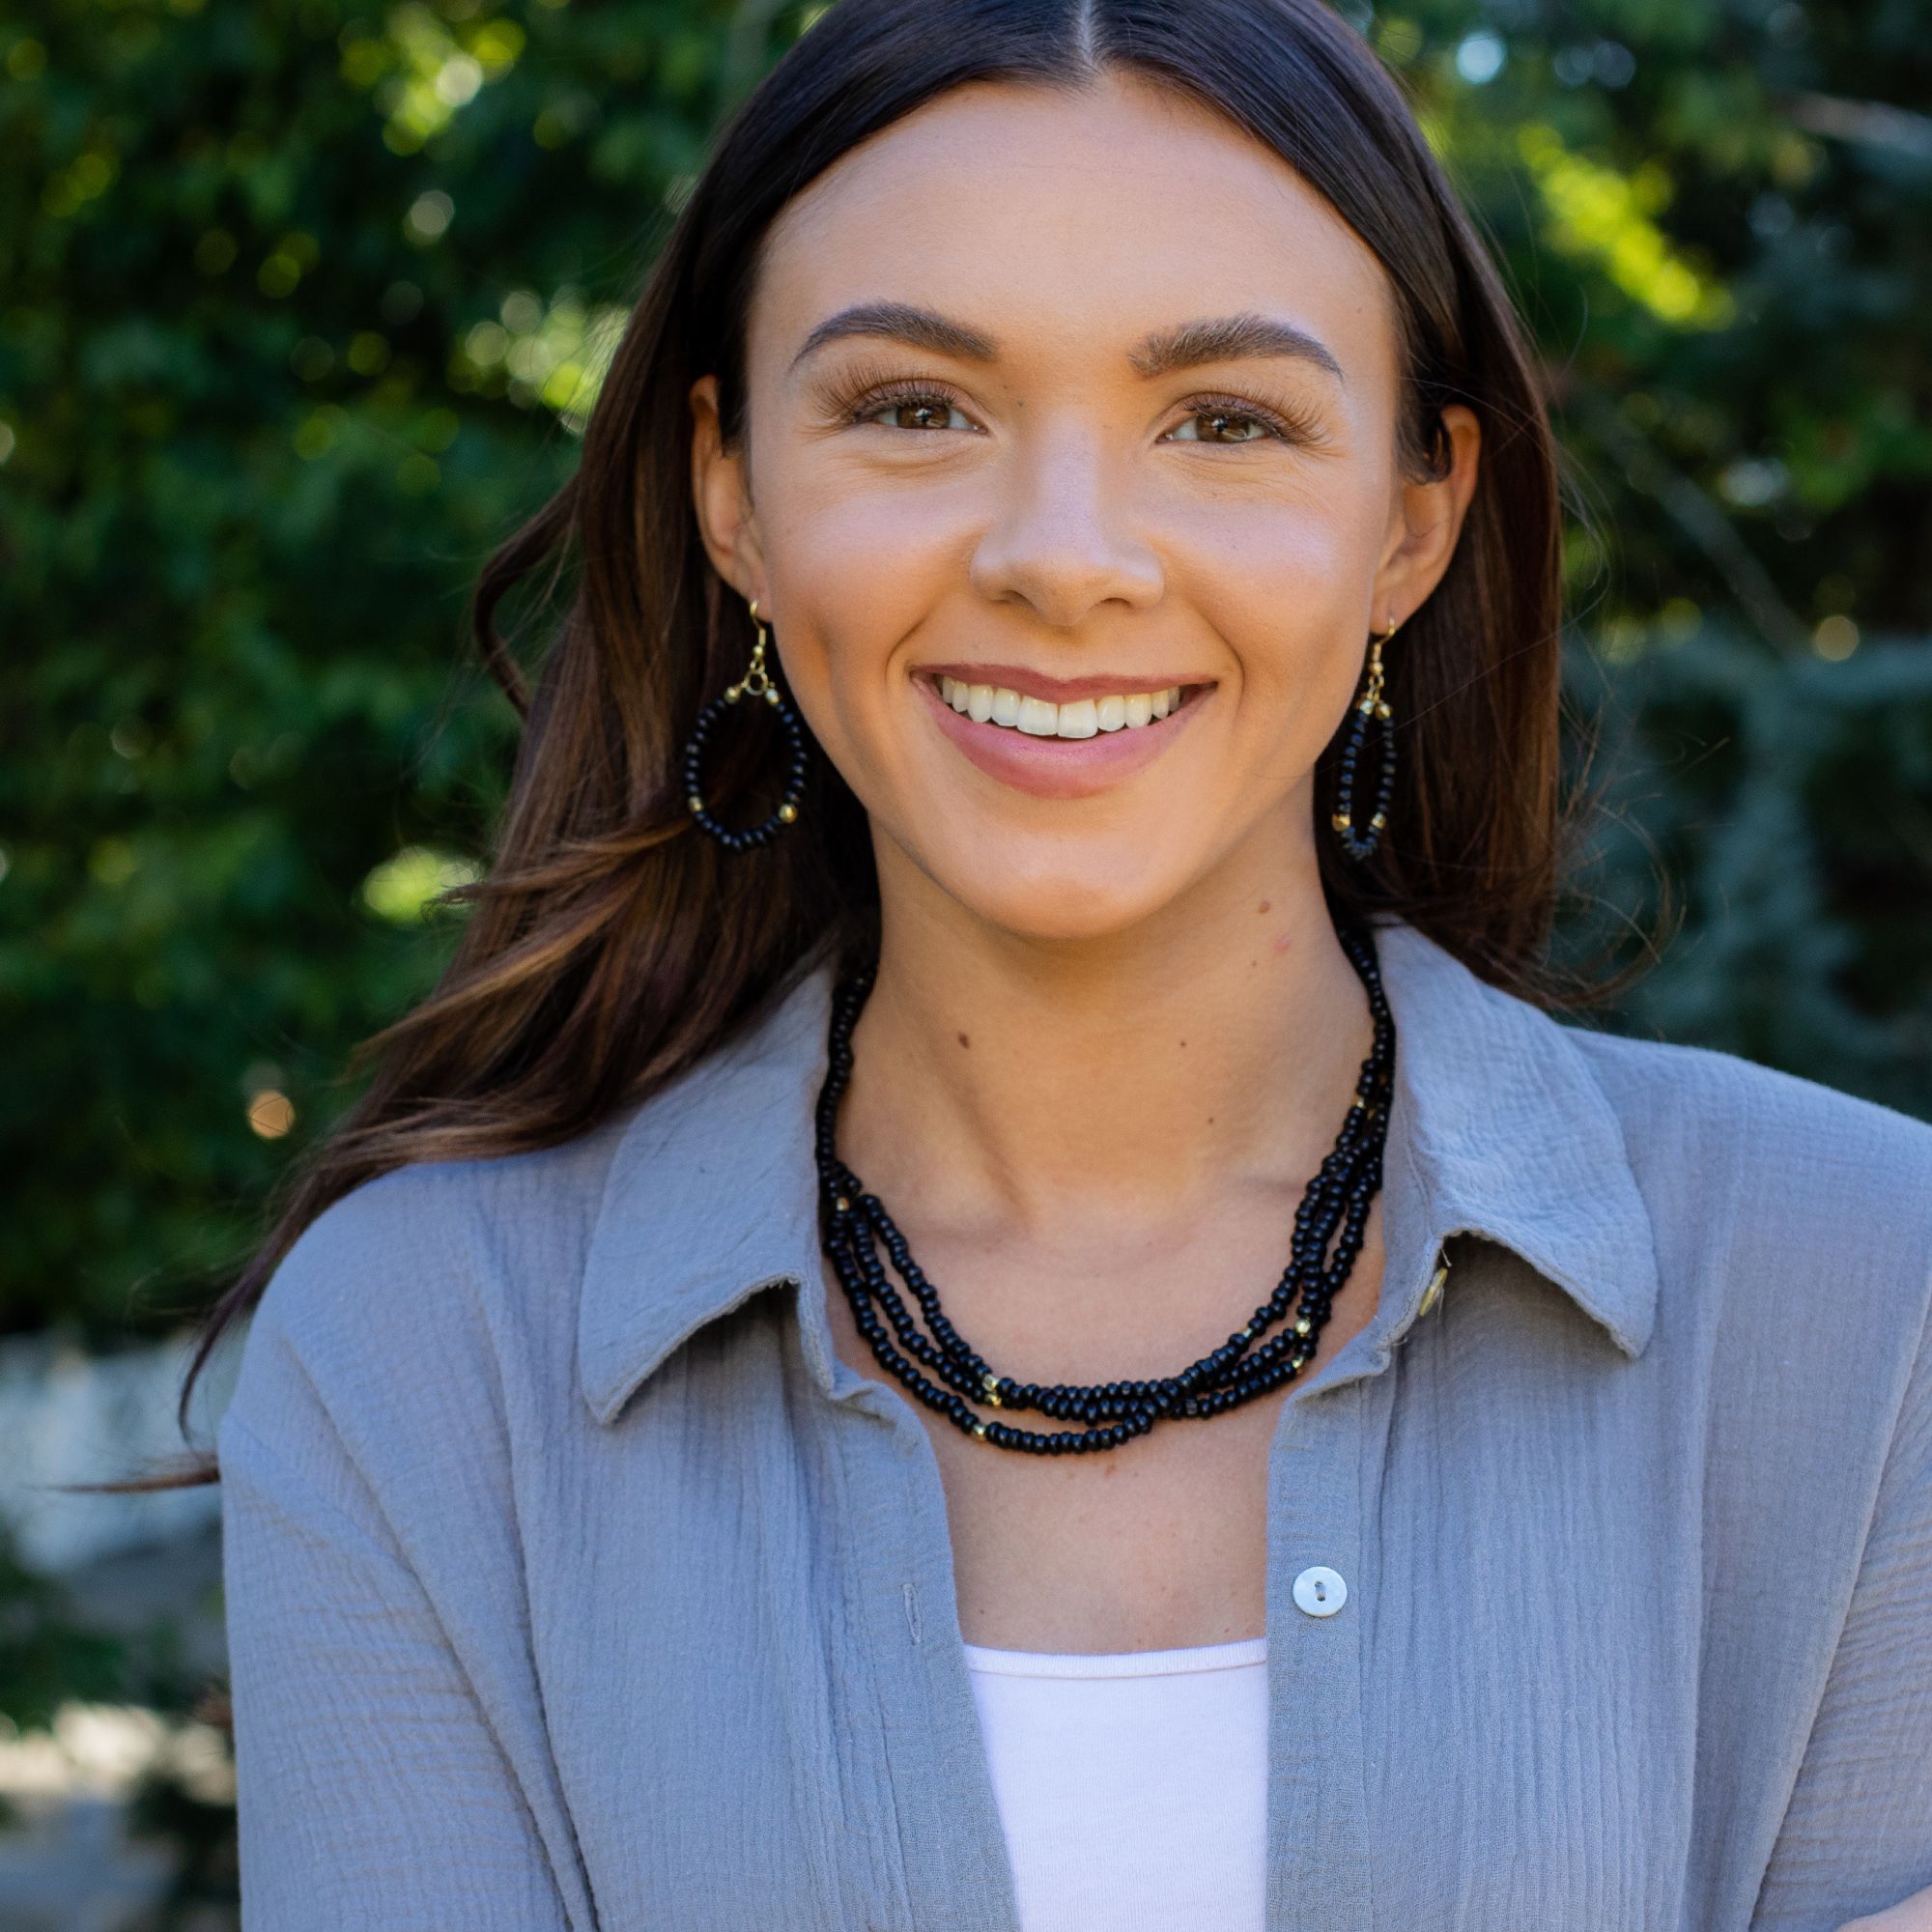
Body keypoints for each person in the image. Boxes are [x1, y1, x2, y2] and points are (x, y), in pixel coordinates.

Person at [190, 1, 1932, 1925]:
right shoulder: (423, 1361)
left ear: (1413, 518)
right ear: (732, 491)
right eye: (915, 407)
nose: (1065, 555)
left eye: (1225, 419)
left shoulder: (1873, 1307)